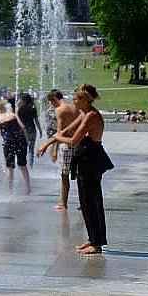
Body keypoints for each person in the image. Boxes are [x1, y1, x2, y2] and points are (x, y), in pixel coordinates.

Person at [51, 85, 113, 255]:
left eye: (77, 99)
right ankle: (93, 239)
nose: (73, 101)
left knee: (91, 201)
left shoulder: (91, 116)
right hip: (86, 159)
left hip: (90, 160)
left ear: (85, 100)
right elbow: (68, 131)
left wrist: (57, 138)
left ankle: (97, 243)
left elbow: (72, 140)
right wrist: (49, 143)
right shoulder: (85, 114)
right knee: (87, 202)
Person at [38, 90, 81, 211]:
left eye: (51, 102)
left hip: (66, 145)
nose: (51, 105)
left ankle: (63, 203)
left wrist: (50, 147)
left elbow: (59, 132)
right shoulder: (74, 108)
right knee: (79, 175)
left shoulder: (60, 110)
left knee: (64, 175)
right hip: (78, 143)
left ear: (54, 99)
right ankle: (83, 202)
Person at [0, 100, 31, 194]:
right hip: (21, 141)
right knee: (22, 165)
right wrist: (27, 140)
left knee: (10, 167)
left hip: (9, 143)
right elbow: (22, 127)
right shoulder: (12, 115)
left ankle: (10, 190)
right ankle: (28, 188)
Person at [16, 93, 43, 167]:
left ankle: (22, 165)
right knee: (31, 149)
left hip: (23, 131)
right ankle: (31, 165)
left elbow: (17, 120)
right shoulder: (33, 108)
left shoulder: (20, 109)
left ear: (23, 100)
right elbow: (36, 121)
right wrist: (40, 131)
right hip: (33, 131)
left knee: (22, 148)